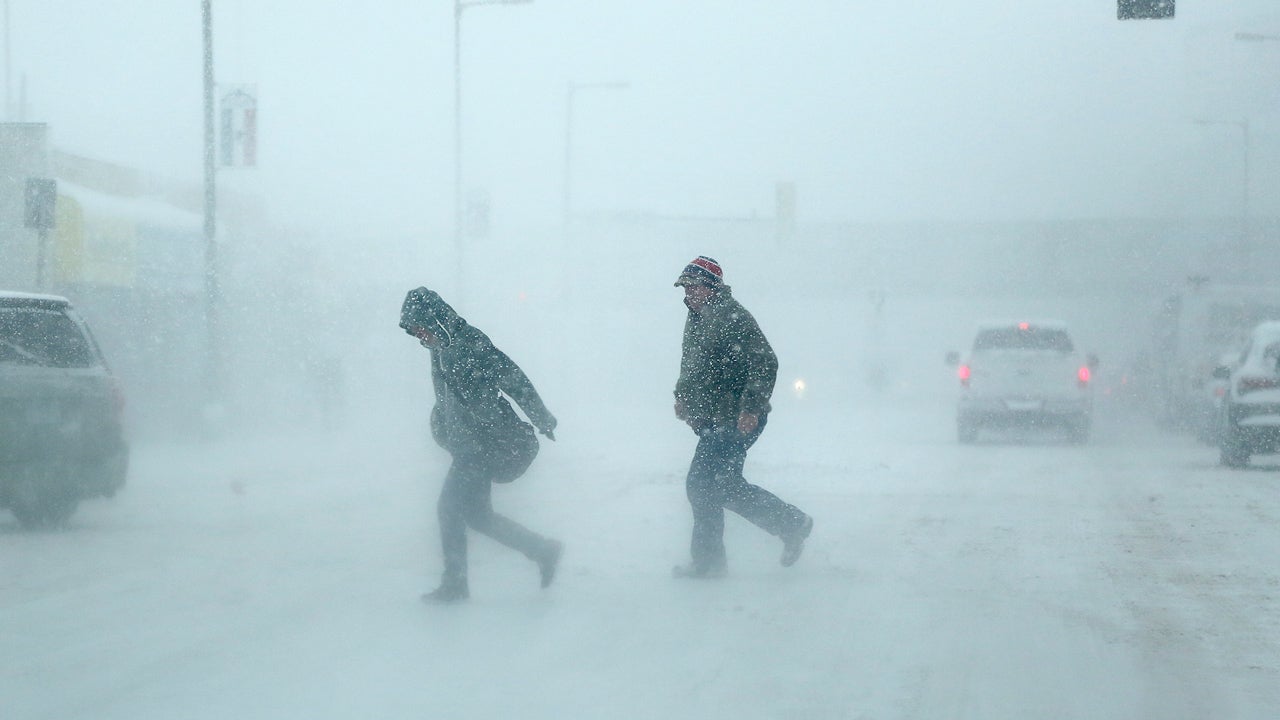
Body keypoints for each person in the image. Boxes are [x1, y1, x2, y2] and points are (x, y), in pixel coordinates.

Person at [399, 286, 563, 602]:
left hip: (484, 443)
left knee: (448, 509)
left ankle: (456, 584)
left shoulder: (467, 342)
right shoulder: (440, 346)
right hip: (468, 444)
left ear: (432, 319)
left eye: (419, 326)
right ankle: (543, 550)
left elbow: (511, 375)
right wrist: (441, 424)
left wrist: (541, 417)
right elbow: (448, 397)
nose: (418, 335)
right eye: (413, 330)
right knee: (477, 516)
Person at [671, 256, 813, 578]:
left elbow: (766, 362)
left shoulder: (732, 317)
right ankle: (791, 525)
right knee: (720, 485)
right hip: (714, 418)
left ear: (711, 287)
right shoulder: (697, 317)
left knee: (703, 484)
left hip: (736, 418)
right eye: (685, 287)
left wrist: (750, 406)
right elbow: (692, 365)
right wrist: (683, 397)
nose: (688, 293)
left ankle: (711, 562)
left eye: (694, 287)